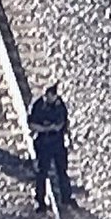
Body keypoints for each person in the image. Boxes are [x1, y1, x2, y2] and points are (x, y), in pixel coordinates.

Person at [28, 83, 75, 211]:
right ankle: (40, 201)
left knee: (62, 170)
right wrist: (46, 128)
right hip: (43, 142)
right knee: (42, 172)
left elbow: (62, 124)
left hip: (57, 141)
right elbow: (32, 124)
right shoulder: (38, 105)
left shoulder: (60, 106)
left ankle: (66, 197)